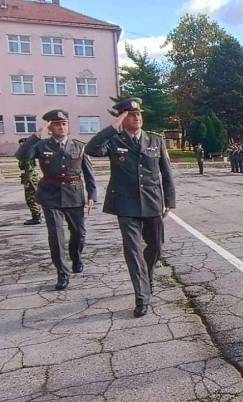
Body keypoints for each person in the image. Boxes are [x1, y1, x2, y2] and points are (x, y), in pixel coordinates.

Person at [85, 97, 176, 318]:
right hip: (125, 205)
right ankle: (142, 296)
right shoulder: (114, 140)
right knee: (133, 251)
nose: (137, 118)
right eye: (131, 115)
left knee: (156, 247)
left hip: (152, 202)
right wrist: (112, 127)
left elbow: (167, 172)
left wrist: (170, 201)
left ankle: (147, 277)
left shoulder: (155, 140)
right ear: (123, 118)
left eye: (138, 114)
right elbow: (91, 149)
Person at [16, 109, 97, 290]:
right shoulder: (41, 145)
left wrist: (92, 195)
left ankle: (76, 257)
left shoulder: (79, 146)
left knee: (79, 233)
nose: (61, 126)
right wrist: (36, 135)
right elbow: (22, 155)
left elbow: (88, 173)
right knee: (56, 236)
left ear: (68, 126)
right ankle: (62, 273)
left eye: (64, 123)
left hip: (74, 195)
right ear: (50, 127)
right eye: (57, 124)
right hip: (50, 196)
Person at [17, 138, 42, 225]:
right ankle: (37, 216)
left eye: (22, 144)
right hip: (30, 178)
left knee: (30, 199)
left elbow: (29, 169)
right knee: (33, 197)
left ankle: (36, 218)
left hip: (30, 178)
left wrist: (29, 181)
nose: (20, 146)